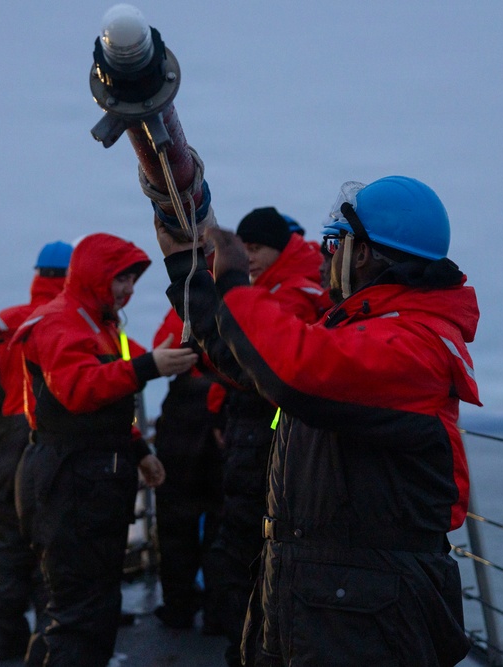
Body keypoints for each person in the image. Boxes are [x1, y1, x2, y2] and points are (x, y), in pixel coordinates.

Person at [155, 176, 480, 666]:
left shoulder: (413, 344)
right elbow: (247, 360)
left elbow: (293, 370)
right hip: (328, 594)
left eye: (334, 244)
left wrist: (235, 283)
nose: (323, 258)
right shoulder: (364, 329)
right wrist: (186, 265)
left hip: (364, 613)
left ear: (362, 253)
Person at [13, 232, 198, 667]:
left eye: (132, 280)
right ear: (94, 274)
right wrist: (149, 366)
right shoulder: (60, 321)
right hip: (69, 480)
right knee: (78, 612)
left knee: (89, 605)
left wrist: (140, 451)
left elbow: (108, 402)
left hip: (92, 479)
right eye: (120, 278)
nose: (128, 289)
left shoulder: (102, 324)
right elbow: (78, 388)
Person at [202, 206, 324, 666]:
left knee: (244, 556)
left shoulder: (292, 294)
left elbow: (256, 363)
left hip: (266, 443)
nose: (249, 257)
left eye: (257, 249)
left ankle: (248, 651)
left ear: (280, 249)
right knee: (240, 555)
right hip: (252, 436)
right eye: (245, 248)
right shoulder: (273, 289)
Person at [0, 240, 72, 663]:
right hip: (58, 444)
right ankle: (49, 641)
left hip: (10, 447)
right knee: (54, 546)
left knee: (9, 546)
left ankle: (5, 640)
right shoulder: (75, 320)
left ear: (37, 275)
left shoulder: (6, 324)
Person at [149, 307, 224, 632]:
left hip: (181, 419)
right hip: (225, 412)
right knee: (223, 522)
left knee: (175, 523)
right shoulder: (242, 299)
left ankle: (179, 606)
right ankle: (220, 611)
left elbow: (161, 346)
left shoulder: (186, 306)